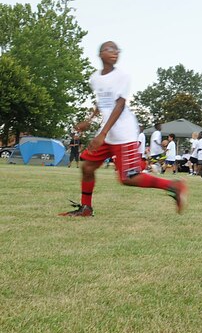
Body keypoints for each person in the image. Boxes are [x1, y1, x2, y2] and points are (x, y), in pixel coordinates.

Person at [59, 41, 186, 217]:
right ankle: (86, 208)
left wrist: (102, 133)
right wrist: (89, 120)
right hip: (108, 132)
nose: (114, 52)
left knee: (128, 178)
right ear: (100, 53)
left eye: (117, 50)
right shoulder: (95, 77)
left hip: (124, 132)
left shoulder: (122, 76)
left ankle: (173, 186)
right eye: (110, 49)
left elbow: (119, 105)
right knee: (87, 167)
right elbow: (102, 100)